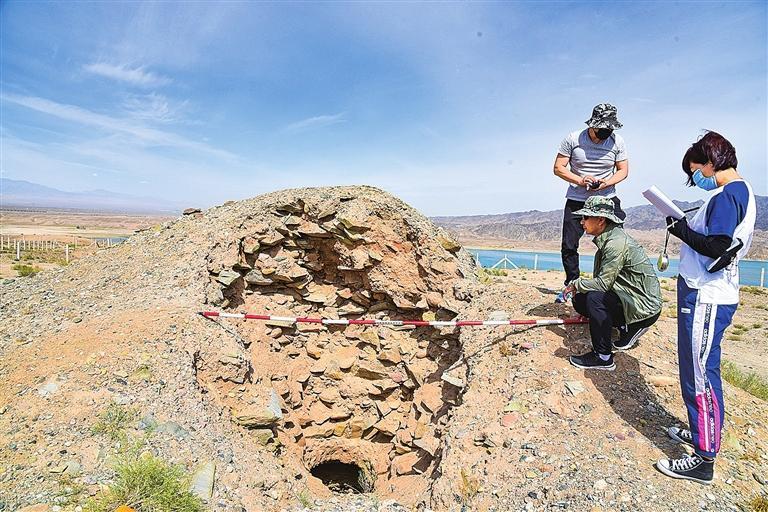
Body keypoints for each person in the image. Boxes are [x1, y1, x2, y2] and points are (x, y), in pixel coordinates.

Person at [656, 131, 756, 484]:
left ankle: (704, 458)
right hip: (705, 292)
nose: (695, 178)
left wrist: (680, 230)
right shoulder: (737, 192)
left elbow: (717, 246)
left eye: (695, 170)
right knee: (696, 368)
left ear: (711, 162)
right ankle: (702, 432)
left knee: (701, 372)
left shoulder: (729, 195)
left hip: (707, 295)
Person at [561, 196, 662, 370]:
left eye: (586, 217)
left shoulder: (615, 243)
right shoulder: (608, 238)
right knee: (580, 300)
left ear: (601, 220)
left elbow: (602, 285)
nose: (581, 222)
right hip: (628, 298)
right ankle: (623, 326)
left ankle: (603, 357)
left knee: (594, 299)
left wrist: (576, 284)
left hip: (644, 308)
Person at [553, 103, 629, 303]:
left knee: (616, 242)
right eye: (602, 128)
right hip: (577, 199)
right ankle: (572, 285)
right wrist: (580, 180)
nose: (606, 132)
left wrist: (606, 182)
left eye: (610, 128)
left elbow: (623, 170)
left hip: (607, 199)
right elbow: (558, 167)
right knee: (569, 244)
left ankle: (610, 286)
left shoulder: (617, 141)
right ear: (593, 124)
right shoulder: (573, 139)